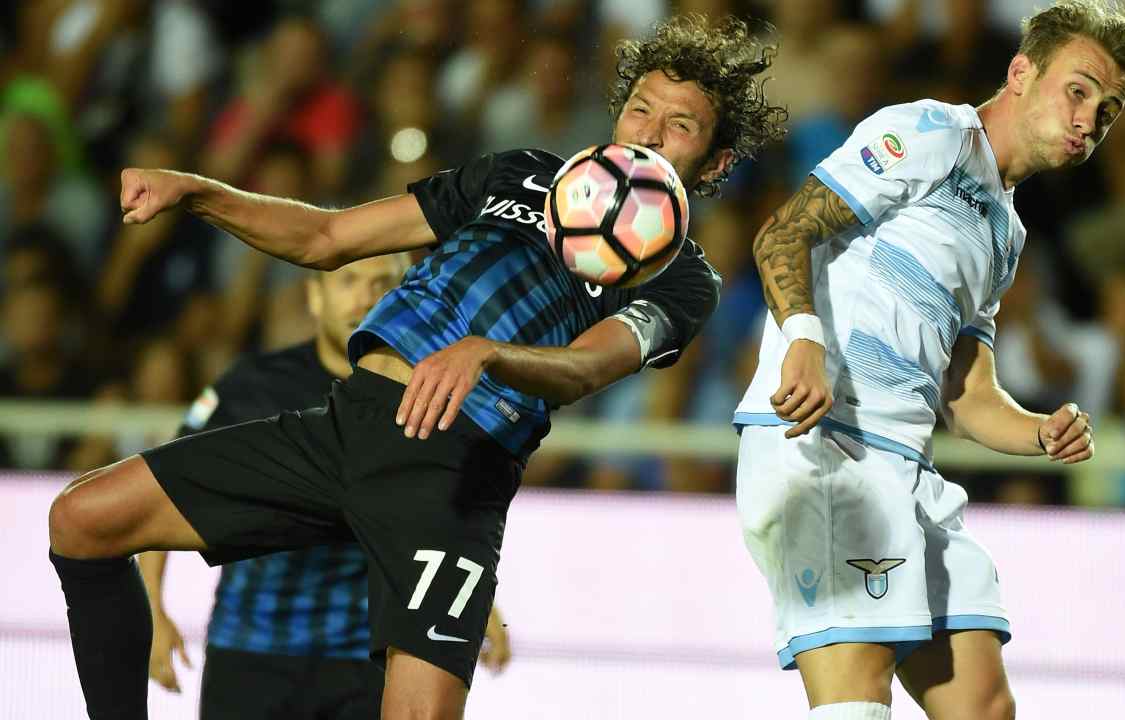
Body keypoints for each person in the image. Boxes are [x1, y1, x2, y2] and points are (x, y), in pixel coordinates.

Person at [46, 14, 786, 720]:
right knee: (83, 518)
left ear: (715, 161)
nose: (647, 135)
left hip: (453, 476)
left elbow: (584, 370)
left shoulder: (682, 278)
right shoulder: (520, 175)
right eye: (639, 110)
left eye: (679, 125)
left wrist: (489, 353)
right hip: (347, 426)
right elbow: (328, 237)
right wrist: (201, 191)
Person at [733, 2, 1125, 718]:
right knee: (857, 698)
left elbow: (964, 394)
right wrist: (807, 342)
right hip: (826, 445)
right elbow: (783, 235)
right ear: (1020, 72)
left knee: (984, 708)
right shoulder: (932, 132)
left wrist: (1039, 431)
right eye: (1078, 90)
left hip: (908, 468)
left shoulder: (1006, 231)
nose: (1089, 120)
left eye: (1108, 109)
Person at [138, 255, 512, 719]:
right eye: (348, 281)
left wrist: (482, 606)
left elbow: (442, 515)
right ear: (315, 297)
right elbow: (162, 487)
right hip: (251, 654)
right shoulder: (250, 387)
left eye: (381, 283)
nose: (364, 297)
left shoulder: (428, 392)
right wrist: (150, 608)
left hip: (365, 659)